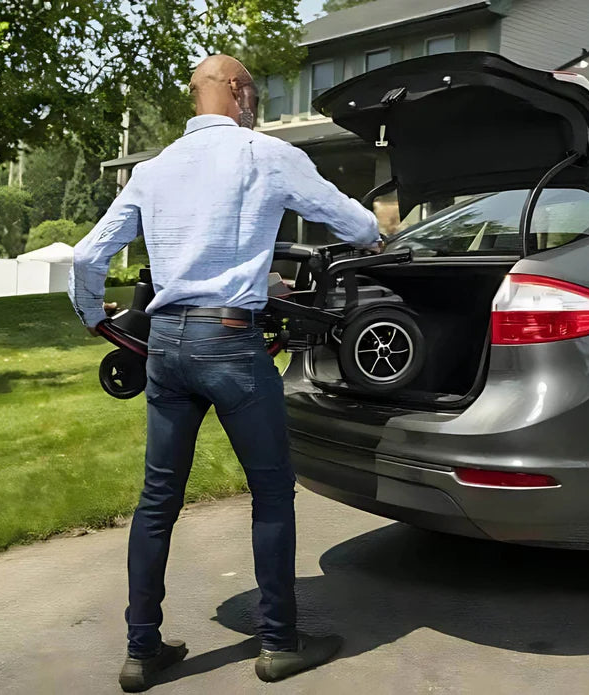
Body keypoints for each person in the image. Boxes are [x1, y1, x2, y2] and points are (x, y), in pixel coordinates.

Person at [68, 54, 381, 692]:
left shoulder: (154, 170)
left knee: (157, 501)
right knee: (271, 494)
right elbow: (359, 224)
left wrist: (90, 316)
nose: (257, 105)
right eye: (255, 94)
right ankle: (278, 644)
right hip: (233, 345)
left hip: (166, 347)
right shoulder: (263, 155)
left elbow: (88, 254)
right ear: (237, 92)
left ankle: (141, 651)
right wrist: (373, 232)